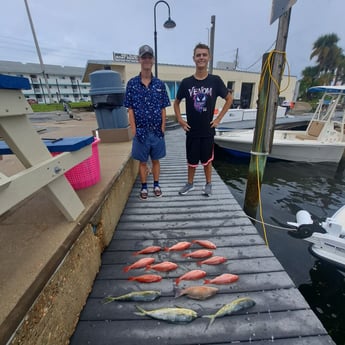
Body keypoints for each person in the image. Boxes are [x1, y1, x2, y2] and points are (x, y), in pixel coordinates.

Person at [174, 43, 233, 196]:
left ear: (209, 58)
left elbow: (229, 99)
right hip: (191, 130)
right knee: (191, 161)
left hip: (208, 130)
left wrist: (218, 119)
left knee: (207, 160)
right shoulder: (187, 83)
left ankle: (208, 184)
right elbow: (176, 102)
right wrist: (180, 119)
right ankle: (190, 183)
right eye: (198, 55)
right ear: (194, 58)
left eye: (204, 55)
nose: (201, 58)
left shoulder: (215, 81)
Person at [124, 44, 170, 200]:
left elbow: (164, 108)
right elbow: (130, 109)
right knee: (142, 162)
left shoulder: (160, 84)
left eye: (149, 57)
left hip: (157, 131)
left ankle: (156, 184)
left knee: (156, 161)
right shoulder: (131, 84)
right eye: (144, 57)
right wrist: (134, 129)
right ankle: (144, 187)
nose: (147, 60)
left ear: (153, 60)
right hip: (141, 132)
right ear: (139, 59)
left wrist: (163, 127)